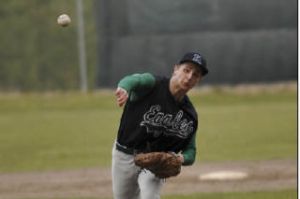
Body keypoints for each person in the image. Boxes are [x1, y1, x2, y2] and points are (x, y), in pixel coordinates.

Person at [112, 52, 208, 199]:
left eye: (195, 74)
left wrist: (179, 159)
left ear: (198, 80)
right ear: (176, 69)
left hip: (156, 161)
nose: (189, 77)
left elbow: (191, 151)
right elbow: (134, 80)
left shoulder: (190, 115)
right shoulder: (153, 84)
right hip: (125, 154)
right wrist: (124, 88)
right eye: (186, 70)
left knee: (151, 196)